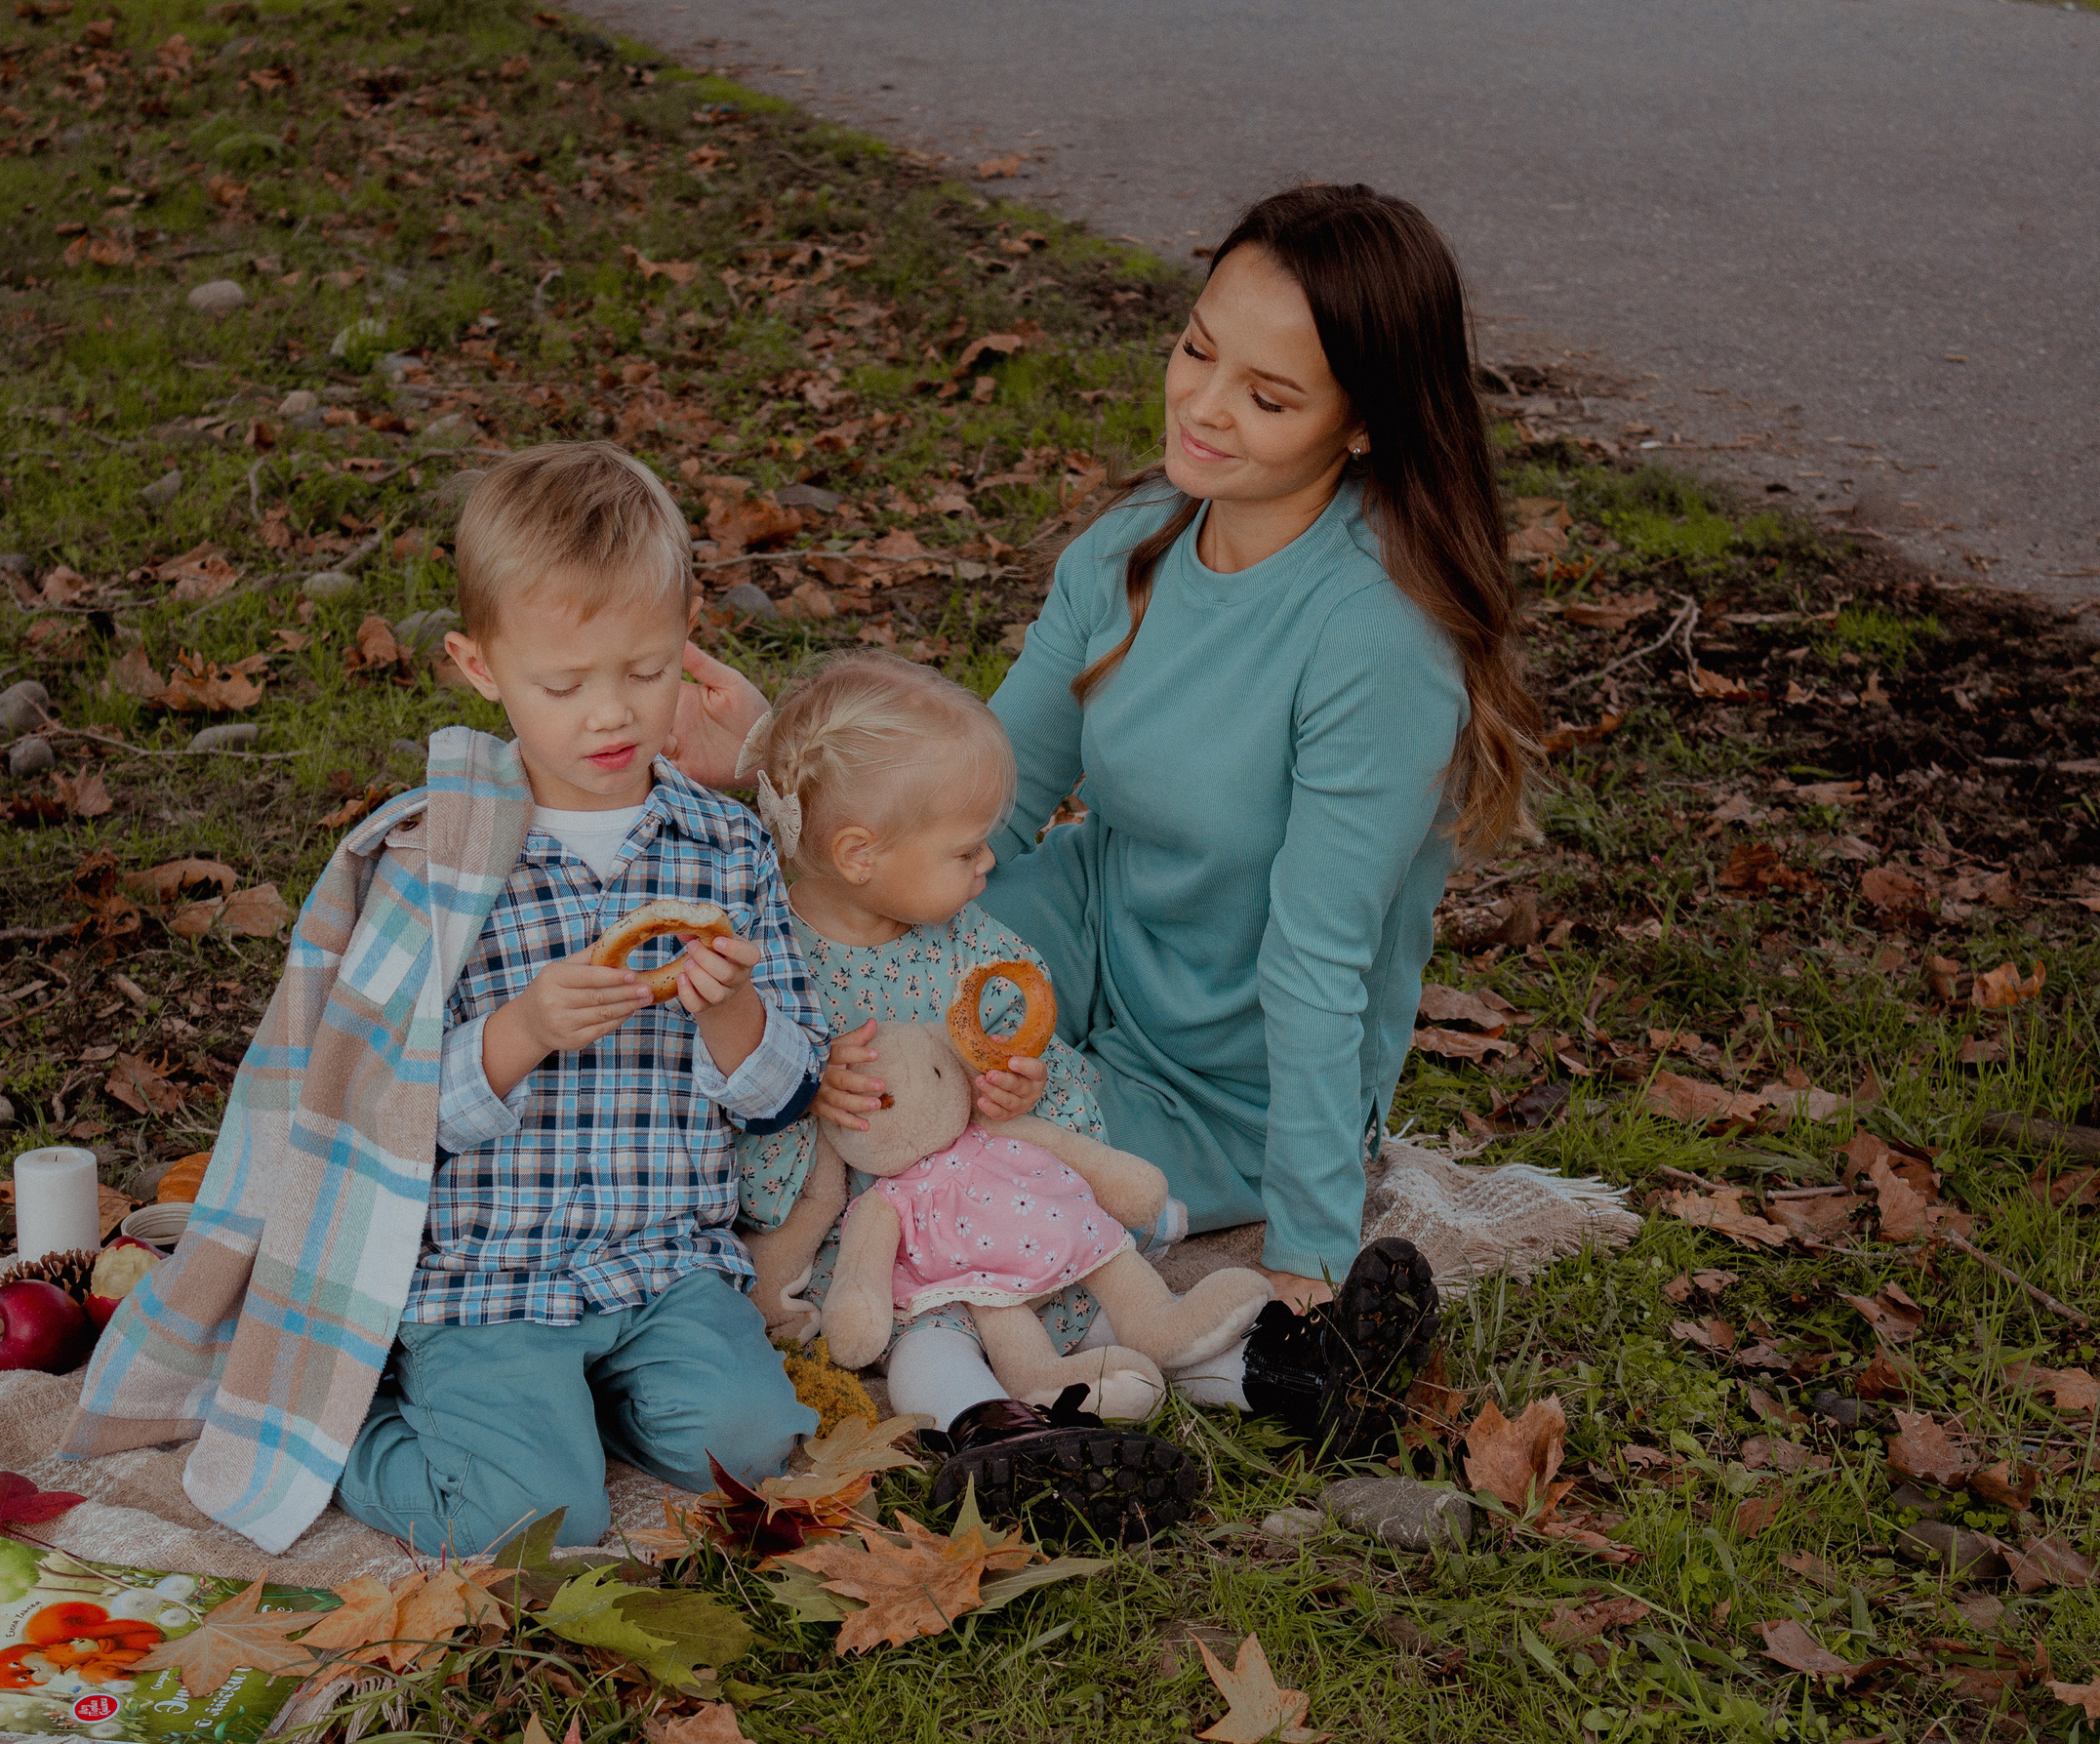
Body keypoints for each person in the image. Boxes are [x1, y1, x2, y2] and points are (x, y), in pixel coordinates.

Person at [671, 183, 1532, 1435]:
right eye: (1197, 348)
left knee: (953, 1166)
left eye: (1268, 395)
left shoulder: (1378, 640)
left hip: (1224, 1063)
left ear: (1361, 428)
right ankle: (611, 1181)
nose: (1201, 403)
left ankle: (991, 1388)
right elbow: (990, 801)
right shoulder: (1134, 542)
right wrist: (772, 755)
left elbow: (1317, 955)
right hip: (1076, 936)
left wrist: (1308, 1249)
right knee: (827, 970)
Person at [330, 441, 828, 1553]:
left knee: (751, 1443)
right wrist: (518, 1034)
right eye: (564, 685)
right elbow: (380, 1104)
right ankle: (345, 1428)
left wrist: (730, 1015)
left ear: (688, 626)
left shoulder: (723, 845)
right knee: (533, 1522)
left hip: (661, 1257)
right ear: (478, 664)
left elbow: (785, 1090)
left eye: (646, 670)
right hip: (491, 1270)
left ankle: (581, 1400)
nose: (611, 715)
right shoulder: (438, 861)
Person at [730, 649, 1207, 1539]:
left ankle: (1249, 1368)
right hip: (886, 1246)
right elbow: (743, 1128)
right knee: (932, 1342)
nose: (992, 859)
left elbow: (1034, 1051)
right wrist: (811, 1097)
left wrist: (1020, 1088)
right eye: (965, 846)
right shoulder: (777, 963)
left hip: (999, 1214)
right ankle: (993, 1431)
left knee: (1112, 1288)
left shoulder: (961, 940)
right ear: (859, 854)